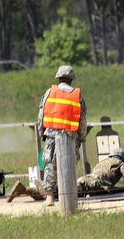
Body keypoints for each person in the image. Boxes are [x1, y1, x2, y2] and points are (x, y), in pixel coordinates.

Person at [34, 65, 87, 206]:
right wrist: (82, 137)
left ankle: (50, 197)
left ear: (58, 78)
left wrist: (41, 133)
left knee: (50, 165)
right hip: (70, 136)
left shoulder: (49, 92)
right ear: (71, 79)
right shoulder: (77, 95)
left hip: (51, 135)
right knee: (68, 165)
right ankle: (69, 197)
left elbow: (41, 115)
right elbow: (82, 120)